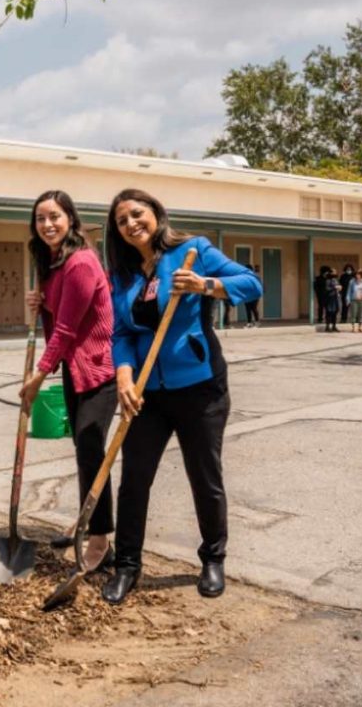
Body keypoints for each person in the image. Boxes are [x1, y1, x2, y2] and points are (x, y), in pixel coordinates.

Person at [102, 188, 262, 605]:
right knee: (134, 479)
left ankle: (213, 558)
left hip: (200, 388)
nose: (131, 224)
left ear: (156, 213)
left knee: (204, 476)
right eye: (122, 221)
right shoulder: (122, 275)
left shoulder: (194, 250)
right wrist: (123, 375)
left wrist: (205, 284)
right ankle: (127, 566)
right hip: (145, 394)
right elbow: (121, 333)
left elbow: (251, 283)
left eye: (138, 214)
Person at [19, 190, 117, 572]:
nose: (47, 225)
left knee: (92, 445)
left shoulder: (79, 262)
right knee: (83, 448)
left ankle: (100, 538)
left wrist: (37, 376)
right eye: (40, 218)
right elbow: (60, 317)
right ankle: (87, 520)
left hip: (100, 369)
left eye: (55, 217)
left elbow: (66, 329)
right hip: (78, 371)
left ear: (71, 220)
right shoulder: (54, 265)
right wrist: (41, 302)